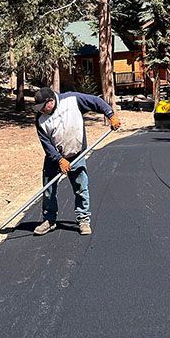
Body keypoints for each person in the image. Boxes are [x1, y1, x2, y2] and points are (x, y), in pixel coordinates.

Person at [30, 87, 121, 236]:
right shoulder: (40, 120)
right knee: (48, 189)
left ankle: (83, 219)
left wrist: (111, 115)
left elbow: (96, 102)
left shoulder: (72, 100)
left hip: (76, 154)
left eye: (42, 107)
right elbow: (47, 144)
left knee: (81, 187)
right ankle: (49, 220)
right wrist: (59, 160)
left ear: (51, 101)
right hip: (54, 158)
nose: (41, 111)